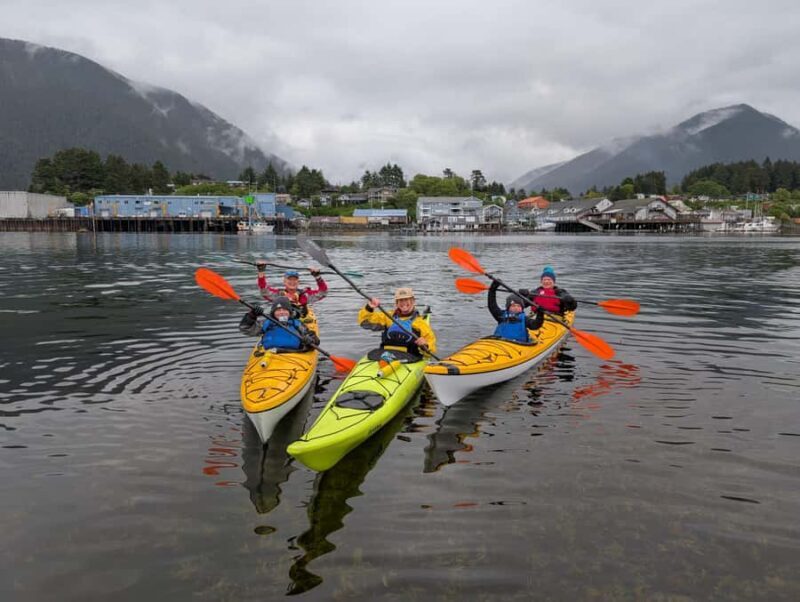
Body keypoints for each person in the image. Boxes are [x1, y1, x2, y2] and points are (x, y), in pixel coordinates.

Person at [358, 287, 437, 358]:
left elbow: (431, 352)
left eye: (406, 299)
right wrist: (369, 308)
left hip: (410, 358)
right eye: (401, 300)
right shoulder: (387, 317)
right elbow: (364, 323)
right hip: (385, 356)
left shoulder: (421, 323)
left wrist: (425, 345)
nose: (404, 303)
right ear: (396, 303)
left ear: (413, 301)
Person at [239, 296, 319, 351]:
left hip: (294, 355)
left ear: (290, 312)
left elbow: (313, 338)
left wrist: (311, 340)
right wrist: (251, 315)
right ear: (273, 313)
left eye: (284, 310)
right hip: (271, 356)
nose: (281, 312)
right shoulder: (267, 323)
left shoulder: (297, 324)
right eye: (278, 310)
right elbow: (245, 328)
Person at [255, 261, 327, 318]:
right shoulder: (278, 295)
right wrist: (261, 271)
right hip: (283, 323)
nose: (292, 282)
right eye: (289, 279)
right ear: (284, 282)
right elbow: (264, 291)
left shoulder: (305, 295)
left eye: (295, 280)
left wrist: (317, 277)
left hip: (301, 324)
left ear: (298, 282)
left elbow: (323, 293)